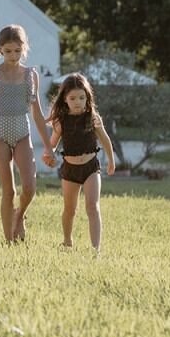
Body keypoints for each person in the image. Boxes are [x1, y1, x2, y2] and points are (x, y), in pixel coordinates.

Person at [0, 24, 54, 243]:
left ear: (24, 48)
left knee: (29, 187)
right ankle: (8, 241)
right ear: (0, 49)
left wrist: (48, 147)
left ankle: (19, 216)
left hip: (22, 134)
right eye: (8, 51)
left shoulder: (31, 75)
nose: (13, 56)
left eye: (17, 51)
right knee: (9, 191)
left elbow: (37, 113)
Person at [46, 72, 115, 254]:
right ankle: (67, 241)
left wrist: (111, 161)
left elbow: (105, 140)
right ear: (65, 99)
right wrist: (48, 155)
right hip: (70, 170)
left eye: (82, 98)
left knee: (92, 207)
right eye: (73, 98)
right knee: (70, 210)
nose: (77, 102)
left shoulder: (93, 117)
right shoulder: (61, 121)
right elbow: (52, 145)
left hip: (91, 167)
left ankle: (95, 250)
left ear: (87, 98)